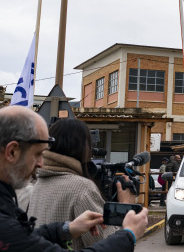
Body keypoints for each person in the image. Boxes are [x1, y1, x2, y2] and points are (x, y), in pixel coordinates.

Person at [0, 106, 148, 251]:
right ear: (12, 151)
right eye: (38, 154)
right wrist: (128, 233)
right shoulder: (82, 188)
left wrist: (67, 229)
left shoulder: (19, 193)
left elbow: (23, 239)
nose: (41, 163)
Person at [28, 119, 138, 249]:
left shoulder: (34, 183)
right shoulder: (81, 188)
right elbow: (104, 243)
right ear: (83, 149)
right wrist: (124, 207)